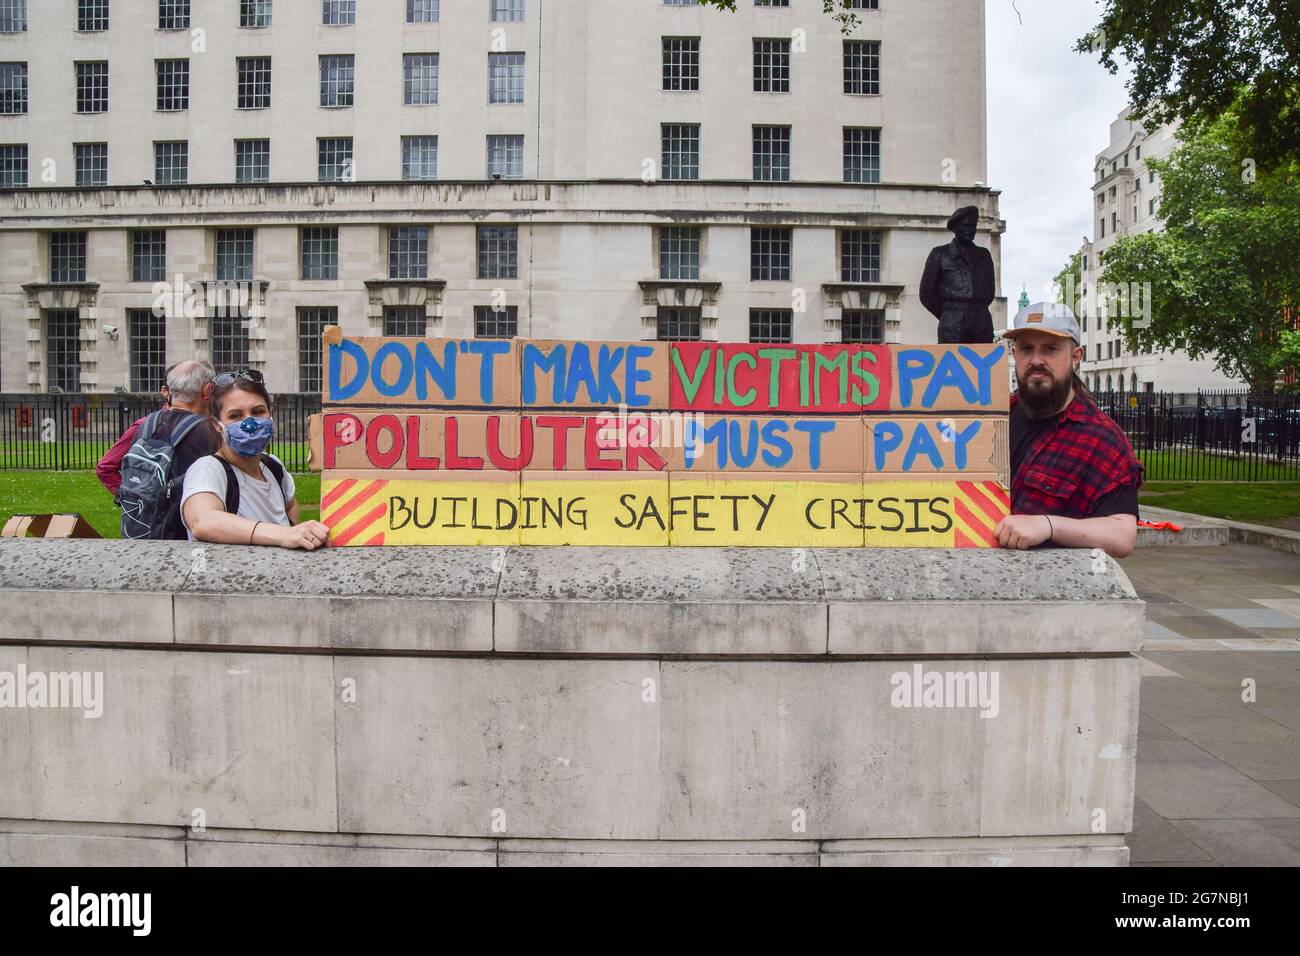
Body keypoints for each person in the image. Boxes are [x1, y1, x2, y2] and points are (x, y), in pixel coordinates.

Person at [994, 302, 1143, 558]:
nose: (1036, 360)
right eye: (1026, 348)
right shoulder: (992, 420)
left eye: (1050, 349)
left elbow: (1122, 536)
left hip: (1052, 588)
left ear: (1076, 356)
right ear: (1014, 353)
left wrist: (1048, 525)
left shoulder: (1101, 438)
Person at [181, 369, 331, 550]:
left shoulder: (273, 466)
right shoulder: (207, 469)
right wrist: (284, 534)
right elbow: (202, 521)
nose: (249, 423)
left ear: (270, 414)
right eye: (236, 415)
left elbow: (290, 504)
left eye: (258, 411)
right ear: (216, 425)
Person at [98, 361, 218, 497]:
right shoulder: (209, 432)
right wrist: (129, 498)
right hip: (191, 512)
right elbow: (106, 467)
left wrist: (133, 501)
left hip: (151, 513)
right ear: (208, 389)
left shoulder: (145, 425)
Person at [919, 205, 997, 344]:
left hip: (982, 320)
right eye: (965, 226)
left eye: (972, 226)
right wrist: (947, 315)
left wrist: (976, 309)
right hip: (953, 320)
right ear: (955, 228)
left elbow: (990, 291)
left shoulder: (984, 255)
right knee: (951, 364)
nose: (969, 230)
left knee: (983, 363)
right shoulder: (939, 254)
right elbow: (926, 294)